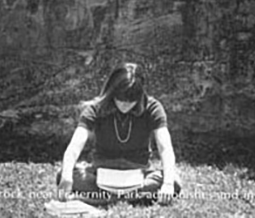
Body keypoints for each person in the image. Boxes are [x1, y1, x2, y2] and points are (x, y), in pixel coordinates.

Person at [56, 62, 180, 205]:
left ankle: (102, 199)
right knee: (65, 174)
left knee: (174, 181)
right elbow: (75, 145)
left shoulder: (152, 107)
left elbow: (165, 147)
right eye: (120, 98)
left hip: (138, 171)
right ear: (111, 92)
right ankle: (129, 198)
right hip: (101, 171)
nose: (125, 105)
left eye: (131, 100)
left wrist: (168, 184)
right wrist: (66, 176)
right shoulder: (96, 109)